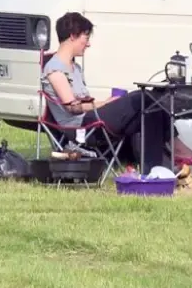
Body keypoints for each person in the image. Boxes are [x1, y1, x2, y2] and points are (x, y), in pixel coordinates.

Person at [39, 12, 173, 171]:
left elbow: (84, 102)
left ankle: (157, 170)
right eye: (86, 38)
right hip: (79, 128)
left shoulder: (75, 68)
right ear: (72, 36)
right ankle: (179, 150)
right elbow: (72, 108)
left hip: (90, 119)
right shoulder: (54, 69)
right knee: (140, 98)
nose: (87, 44)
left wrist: (105, 103)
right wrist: (106, 103)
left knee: (150, 109)